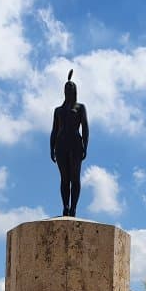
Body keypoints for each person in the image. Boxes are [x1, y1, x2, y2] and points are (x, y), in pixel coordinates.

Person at [49, 69, 89, 217]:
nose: (68, 90)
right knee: (64, 178)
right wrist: (51, 147)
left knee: (75, 177)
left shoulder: (80, 108)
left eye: (71, 88)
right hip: (61, 144)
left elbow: (85, 126)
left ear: (75, 90)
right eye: (66, 88)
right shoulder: (58, 110)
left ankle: (73, 208)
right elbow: (54, 130)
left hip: (75, 144)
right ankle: (65, 206)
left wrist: (85, 145)